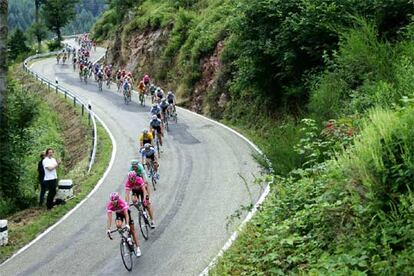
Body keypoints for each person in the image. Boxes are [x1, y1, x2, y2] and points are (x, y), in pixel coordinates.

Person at [106, 192, 141, 257]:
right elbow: (109, 218)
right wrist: (108, 229)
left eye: (115, 200)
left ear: (117, 199)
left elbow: (126, 215)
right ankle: (125, 238)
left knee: (132, 231)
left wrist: (127, 224)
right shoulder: (109, 205)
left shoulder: (122, 203)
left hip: (126, 213)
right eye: (112, 201)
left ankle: (138, 248)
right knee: (118, 225)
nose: (113, 202)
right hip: (119, 214)